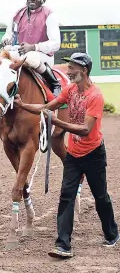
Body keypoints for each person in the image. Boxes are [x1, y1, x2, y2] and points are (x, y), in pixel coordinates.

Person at [14, 52, 119, 258]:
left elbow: (85, 129)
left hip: (94, 154)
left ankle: (112, 234)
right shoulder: (70, 90)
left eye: (72, 68)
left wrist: (57, 123)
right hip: (74, 155)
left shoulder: (95, 96)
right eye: (68, 68)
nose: (68, 72)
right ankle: (63, 244)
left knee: (101, 197)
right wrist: (23, 105)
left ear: (84, 70)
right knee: (66, 197)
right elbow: (46, 107)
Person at [1, 0, 61, 96]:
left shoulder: (49, 15)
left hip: (42, 56)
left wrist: (34, 47)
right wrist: (5, 40)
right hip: (21, 53)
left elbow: (56, 43)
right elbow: (8, 34)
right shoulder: (18, 14)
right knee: (2, 57)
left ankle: (55, 84)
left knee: (30, 57)